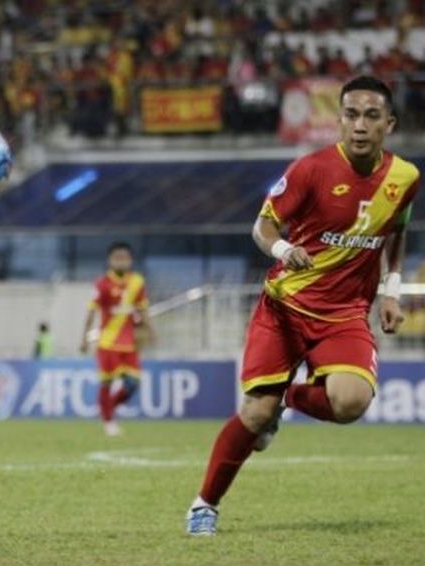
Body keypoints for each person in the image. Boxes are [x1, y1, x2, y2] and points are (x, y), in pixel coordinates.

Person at [186, 76, 420, 535]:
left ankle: (285, 401)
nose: (359, 125)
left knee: (351, 402)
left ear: (388, 124)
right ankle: (204, 505)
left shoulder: (405, 178)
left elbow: (396, 231)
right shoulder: (310, 169)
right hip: (285, 308)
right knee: (253, 413)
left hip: (345, 312)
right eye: (351, 114)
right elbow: (262, 227)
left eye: (371, 116)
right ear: (339, 120)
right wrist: (281, 251)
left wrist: (390, 290)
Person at [80, 242, 154, 436]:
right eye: (117, 258)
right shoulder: (102, 283)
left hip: (129, 344)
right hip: (108, 343)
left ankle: (107, 410)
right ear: (110, 260)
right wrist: (84, 338)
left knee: (133, 383)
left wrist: (151, 330)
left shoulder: (137, 282)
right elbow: (91, 311)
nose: (121, 261)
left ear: (130, 260)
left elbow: (143, 309)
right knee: (107, 383)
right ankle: (108, 421)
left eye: (125, 258)